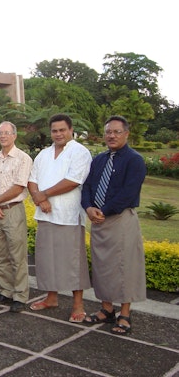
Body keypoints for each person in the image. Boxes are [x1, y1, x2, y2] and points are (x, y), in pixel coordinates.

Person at [81, 115, 146, 334]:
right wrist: (89, 208)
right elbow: (88, 186)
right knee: (102, 267)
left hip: (120, 220)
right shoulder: (99, 159)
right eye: (108, 132)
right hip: (98, 221)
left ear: (126, 134)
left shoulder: (134, 160)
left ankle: (125, 314)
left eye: (117, 132)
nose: (112, 136)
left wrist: (104, 210)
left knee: (124, 267)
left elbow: (129, 193)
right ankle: (106, 310)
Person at [27, 114, 92, 322]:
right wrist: (40, 198)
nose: (58, 134)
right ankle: (51, 298)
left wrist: (43, 195)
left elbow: (73, 180)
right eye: (54, 130)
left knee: (73, 262)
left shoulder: (80, 152)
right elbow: (32, 180)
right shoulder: (43, 154)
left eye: (62, 130)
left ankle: (78, 305)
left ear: (71, 130)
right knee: (47, 260)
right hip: (45, 215)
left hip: (69, 216)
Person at [0, 121, 32, 312]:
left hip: (12, 210)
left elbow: (19, 186)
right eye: (0, 133)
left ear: (14, 135)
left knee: (17, 255)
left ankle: (20, 295)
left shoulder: (23, 158)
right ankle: (6, 290)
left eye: (7, 133)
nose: (3, 136)